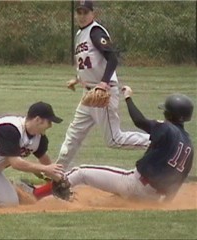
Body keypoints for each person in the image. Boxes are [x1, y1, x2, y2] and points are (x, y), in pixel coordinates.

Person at [27, 87, 195, 202]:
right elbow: (177, 181)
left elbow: (139, 121)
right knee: (109, 201)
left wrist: (128, 97)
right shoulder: (188, 145)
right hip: (153, 197)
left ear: (169, 113)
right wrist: (164, 205)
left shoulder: (167, 129)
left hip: (135, 184)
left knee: (81, 172)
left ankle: (37, 194)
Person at [58, 0, 150, 171]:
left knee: (114, 140)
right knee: (72, 136)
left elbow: (112, 58)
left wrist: (103, 83)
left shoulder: (95, 31)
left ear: (93, 14)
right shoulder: (80, 34)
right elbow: (89, 63)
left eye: (85, 12)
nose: (82, 15)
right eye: (79, 12)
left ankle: (157, 140)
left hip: (102, 94)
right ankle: (56, 174)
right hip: (88, 96)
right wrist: (77, 79)